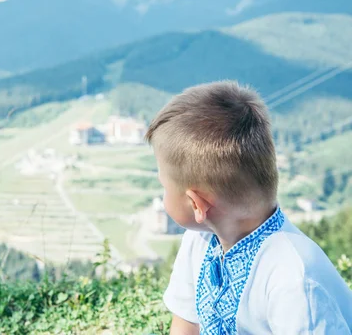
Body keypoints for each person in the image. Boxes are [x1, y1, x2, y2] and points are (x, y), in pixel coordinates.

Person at [145, 81, 352, 334]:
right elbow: (187, 324)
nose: (164, 194)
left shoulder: (294, 278)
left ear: (197, 205)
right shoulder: (199, 240)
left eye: (165, 187)